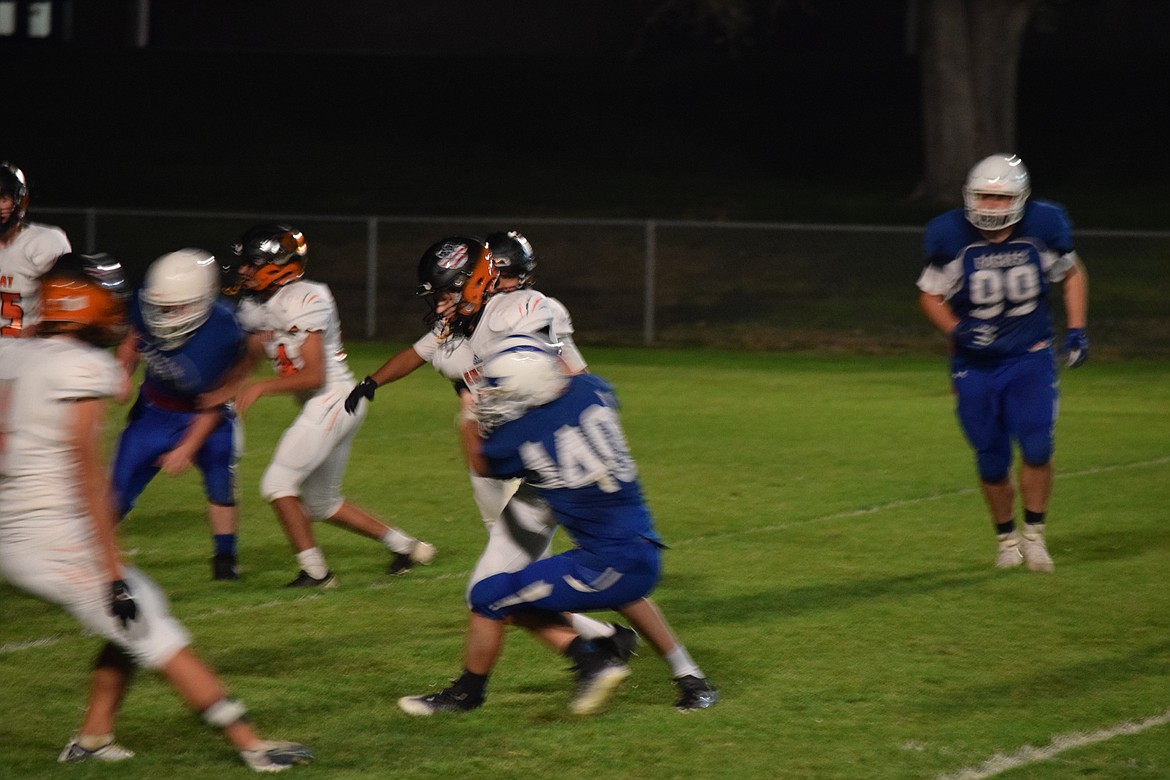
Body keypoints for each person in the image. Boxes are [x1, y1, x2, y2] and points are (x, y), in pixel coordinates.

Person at [348, 234, 716, 712]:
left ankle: (653, 665)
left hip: (555, 461)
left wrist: (486, 410)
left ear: (477, 283)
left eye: (446, 292)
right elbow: (428, 353)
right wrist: (375, 379)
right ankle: (570, 662)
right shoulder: (459, 327)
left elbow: (563, 379)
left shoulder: (520, 310)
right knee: (501, 586)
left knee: (587, 570)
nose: (439, 304)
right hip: (533, 469)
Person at [0, 252, 313, 772]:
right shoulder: (83, 368)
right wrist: (112, 568)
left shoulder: (15, 355)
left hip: (15, 524)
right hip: (48, 534)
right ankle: (250, 743)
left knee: (134, 618)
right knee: (147, 621)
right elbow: (86, 476)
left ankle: (94, 736)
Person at [398, 341, 709, 716]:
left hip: (606, 563)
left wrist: (467, 418)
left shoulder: (527, 435)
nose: (492, 398)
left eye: (499, 391)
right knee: (617, 592)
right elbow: (565, 382)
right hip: (641, 547)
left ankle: (481, 691)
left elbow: (481, 463)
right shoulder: (591, 389)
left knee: (490, 596)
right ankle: (691, 678)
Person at [227, 223, 435, 588]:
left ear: (278, 265)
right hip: (330, 404)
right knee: (321, 503)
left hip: (333, 398)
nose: (243, 270)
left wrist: (260, 387)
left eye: (251, 263)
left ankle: (316, 573)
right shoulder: (268, 303)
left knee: (278, 484)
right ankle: (406, 546)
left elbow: (314, 376)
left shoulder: (305, 296)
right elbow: (260, 348)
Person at [917, 153, 1089, 572]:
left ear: (1020, 199)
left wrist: (1077, 328)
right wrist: (956, 331)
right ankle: (1005, 539)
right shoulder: (951, 234)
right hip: (974, 364)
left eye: (1000, 198)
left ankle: (1034, 535)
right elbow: (929, 294)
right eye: (983, 197)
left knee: (1036, 445)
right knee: (991, 459)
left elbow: (1071, 273)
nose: (991, 207)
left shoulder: (1042, 228)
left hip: (1028, 356)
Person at [111, 249, 248, 580]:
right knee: (117, 488)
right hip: (155, 411)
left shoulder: (222, 333)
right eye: (161, 307)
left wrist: (186, 448)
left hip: (205, 415)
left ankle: (225, 558)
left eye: (175, 308)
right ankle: (88, 552)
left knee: (220, 482)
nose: (165, 314)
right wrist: (122, 371)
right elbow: (132, 340)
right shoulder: (149, 301)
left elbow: (214, 402)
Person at [0, 161, 72, 338]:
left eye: (3, 198)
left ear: (19, 200)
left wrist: (36, 331)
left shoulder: (43, 242)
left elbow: (66, 306)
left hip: (27, 353)